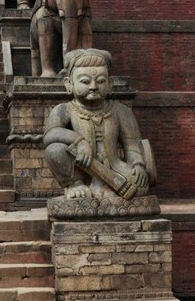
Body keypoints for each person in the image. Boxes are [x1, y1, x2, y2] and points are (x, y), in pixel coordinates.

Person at [43, 48, 149, 199]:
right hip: (82, 169)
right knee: (54, 150)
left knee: (140, 187)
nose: (93, 86)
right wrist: (79, 141)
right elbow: (50, 134)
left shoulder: (121, 111)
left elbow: (132, 145)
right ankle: (75, 185)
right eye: (85, 81)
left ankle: (104, 189)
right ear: (69, 84)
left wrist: (138, 165)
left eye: (100, 81)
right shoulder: (64, 110)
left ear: (110, 84)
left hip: (115, 168)